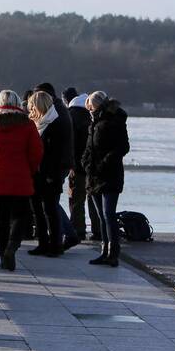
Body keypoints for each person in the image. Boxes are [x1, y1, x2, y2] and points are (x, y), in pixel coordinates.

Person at [0, 91, 43, 271]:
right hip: (21, 176)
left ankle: (2, 255)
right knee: (21, 216)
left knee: (1, 219)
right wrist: (30, 168)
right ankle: (12, 247)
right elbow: (36, 151)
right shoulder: (27, 125)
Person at [81, 91, 130, 267]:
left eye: (91, 108)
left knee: (109, 214)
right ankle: (104, 251)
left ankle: (113, 253)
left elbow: (122, 147)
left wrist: (103, 163)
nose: (90, 111)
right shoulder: (94, 123)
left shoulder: (114, 121)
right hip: (94, 175)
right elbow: (89, 147)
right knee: (101, 216)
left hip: (109, 175)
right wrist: (86, 163)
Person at [28, 91, 72, 256]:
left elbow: (57, 153)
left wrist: (53, 175)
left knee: (50, 210)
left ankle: (55, 244)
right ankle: (43, 243)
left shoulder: (55, 123)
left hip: (50, 175)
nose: (30, 108)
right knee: (38, 210)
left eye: (32, 105)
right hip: (37, 174)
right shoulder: (37, 122)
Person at [67, 92, 101, 240]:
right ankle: (98, 230)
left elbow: (69, 143)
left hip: (77, 166)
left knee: (76, 199)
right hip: (93, 166)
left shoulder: (71, 118)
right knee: (93, 199)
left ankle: (78, 229)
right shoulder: (93, 117)